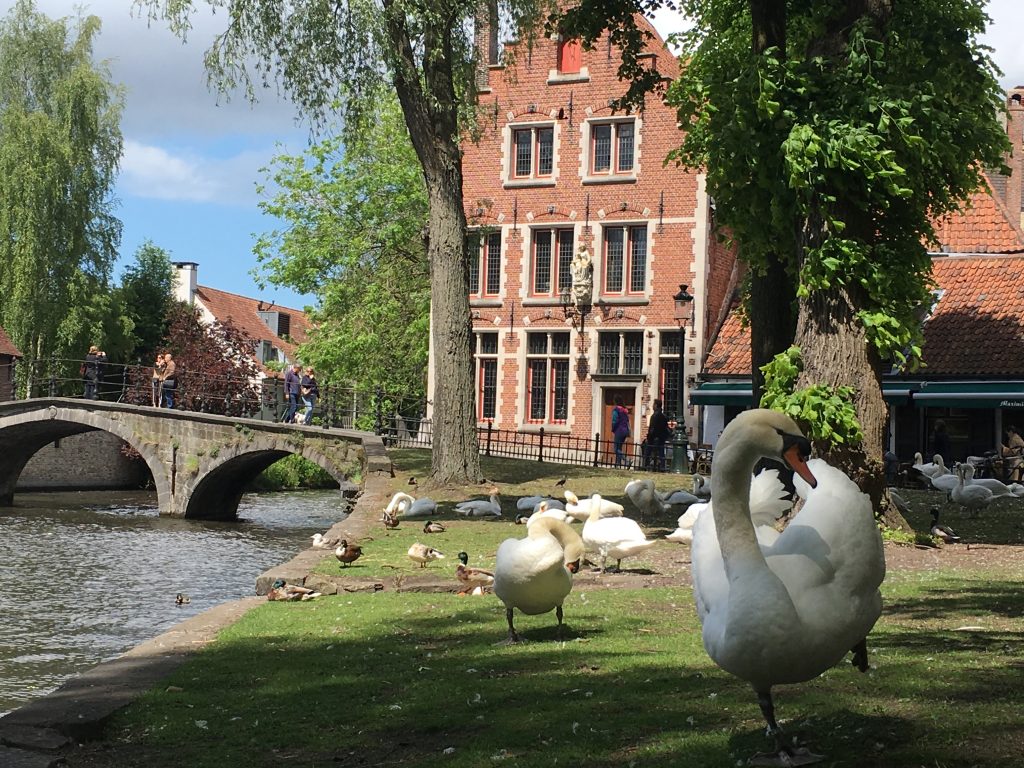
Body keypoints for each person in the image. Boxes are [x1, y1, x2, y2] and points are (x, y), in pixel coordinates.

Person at [645, 399, 672, 472]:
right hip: (661, 438)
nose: (652, 406)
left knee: (648, 453)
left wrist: (649, 437)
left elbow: (652, 428)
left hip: (654, 438)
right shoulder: (663, 416)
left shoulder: (654, 416)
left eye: (653, 404)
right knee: (661, 454)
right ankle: (662, 467)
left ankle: (646, 466)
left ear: (656, 406)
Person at [611, 395, 631, 468]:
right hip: (625, 431)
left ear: (615, 402)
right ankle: (617, 464)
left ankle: (627, 460)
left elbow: (614, 421)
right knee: (619, 448)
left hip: (619, 431)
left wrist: (613, 428)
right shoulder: (624, 410)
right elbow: (627, 421)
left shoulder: (616, 410)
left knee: (616, 449)